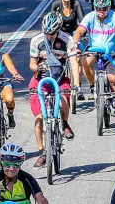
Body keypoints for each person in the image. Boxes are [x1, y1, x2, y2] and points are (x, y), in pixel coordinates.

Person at [28, 12, 80, 167]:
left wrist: (76, 84)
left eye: (52, 33)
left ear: (58, 30)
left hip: (59, 79)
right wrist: (37, 67)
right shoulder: (37, 41)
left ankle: (64, 123)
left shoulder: (67, 40)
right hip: (40, 80)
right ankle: (42, 152)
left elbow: (73, 63)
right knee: (39, 119)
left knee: (63, 102)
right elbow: (31, 63)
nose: (49, 36)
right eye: (47, 33)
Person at [73, 0, 115, 97]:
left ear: (109, 7)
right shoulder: (90, 16)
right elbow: (79, 31)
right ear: (95, 8)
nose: (101, 11)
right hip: (94, 50)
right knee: (85, 62)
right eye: (98, 9)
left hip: (111, 51)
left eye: (104, 9)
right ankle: (92, 85)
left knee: (112, 79)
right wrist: (76, 43)